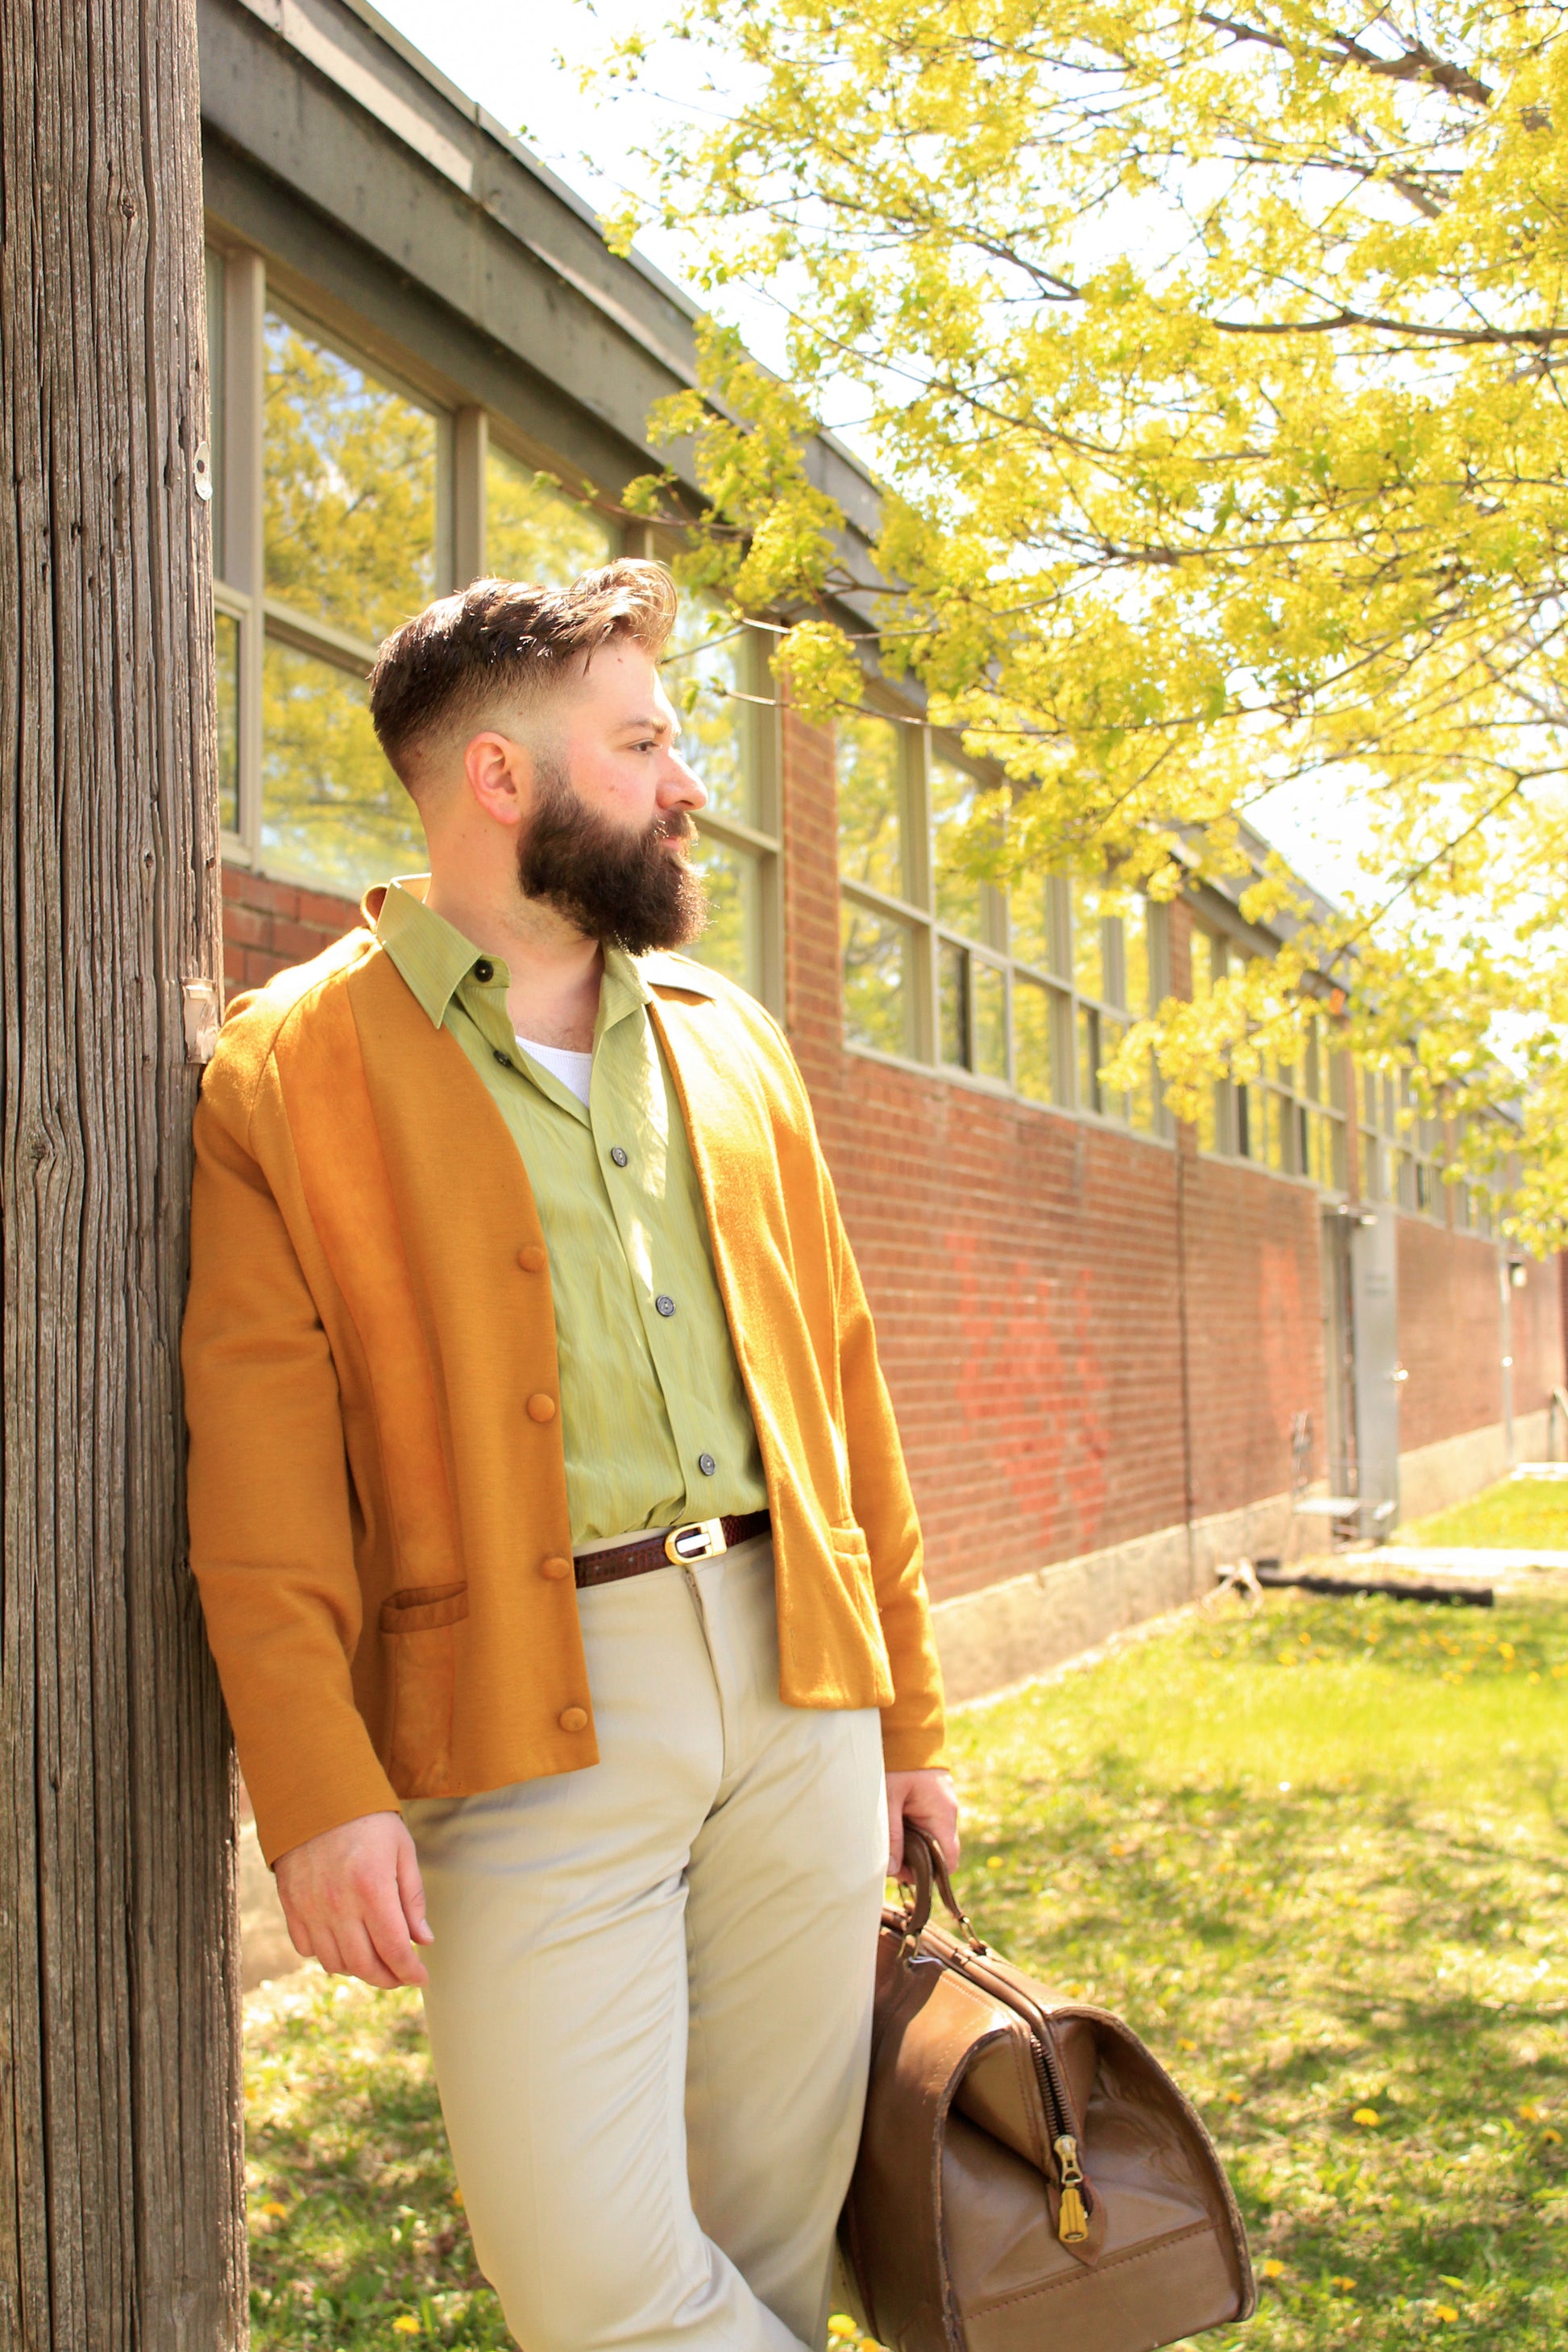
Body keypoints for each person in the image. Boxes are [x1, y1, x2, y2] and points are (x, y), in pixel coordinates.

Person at [183, 559, 957, 2352]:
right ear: (502, 782)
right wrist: (316, 1786)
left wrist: (908, 1722)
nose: (691, 782)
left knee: (762, 2246)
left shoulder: (735, 1042)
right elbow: (259, 1474)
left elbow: (849, 1403)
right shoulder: (288, 1071)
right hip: (525, 1723)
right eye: (646, 743)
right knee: (597, 2287)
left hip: (800, 1690)